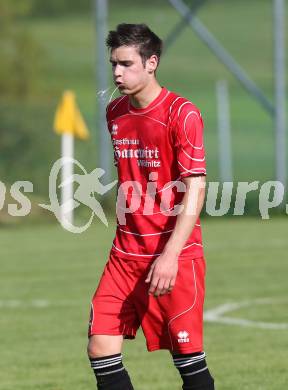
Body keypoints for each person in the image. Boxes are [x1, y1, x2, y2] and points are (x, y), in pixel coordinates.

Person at [87, 23, 215, 390]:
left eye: (126, 64)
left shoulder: (181, 113)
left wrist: (171, 255)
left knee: (188, 361)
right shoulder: (114, 113)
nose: (116, 73)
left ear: (152, 62)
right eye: (114, 63)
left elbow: (196, 189)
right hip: (125, 254)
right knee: (100, 347)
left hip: (174, 253)